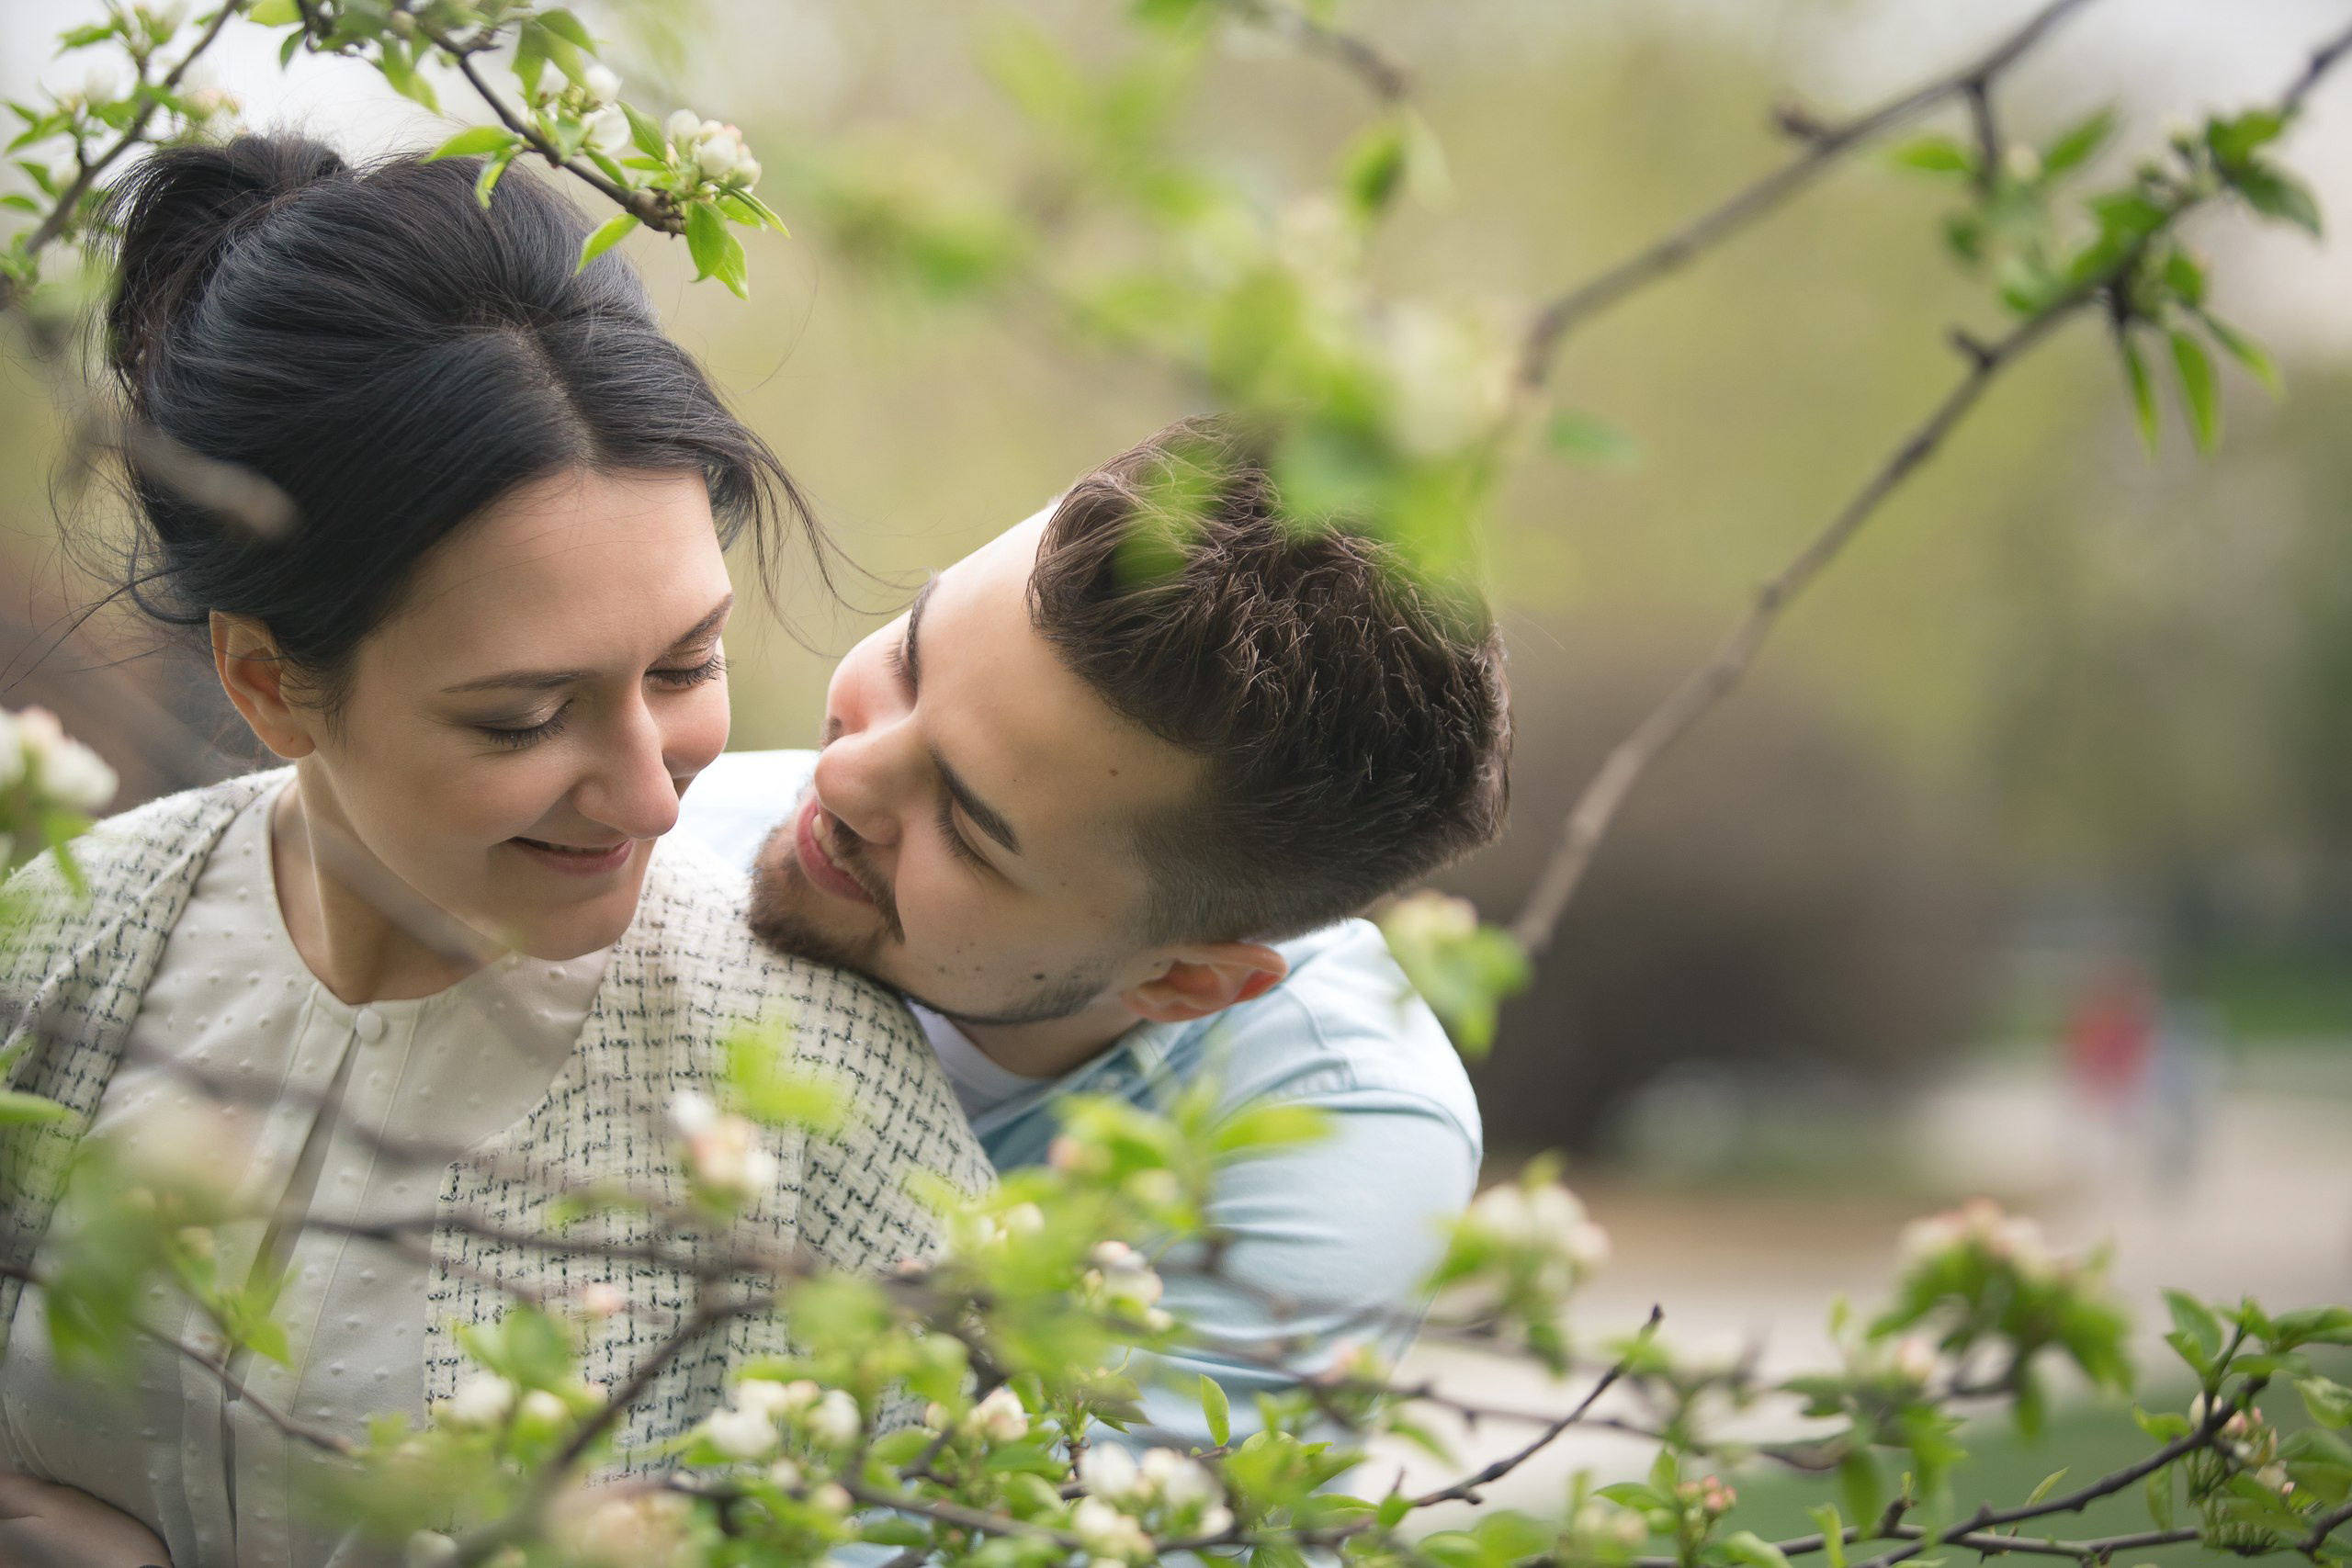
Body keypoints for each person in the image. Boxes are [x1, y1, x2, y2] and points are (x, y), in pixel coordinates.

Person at [0, 135, 988, 1568]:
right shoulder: (62, 947)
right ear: (269, 682)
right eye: (526, 715)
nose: (652, 796)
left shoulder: (822, 1098)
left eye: (686, 663)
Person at [677, 417, 1509, 1445]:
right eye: (909, 657)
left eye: (966, 826)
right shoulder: (664, 840)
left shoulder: (1329, 1149)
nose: (840, 778)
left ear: (1183, 985)